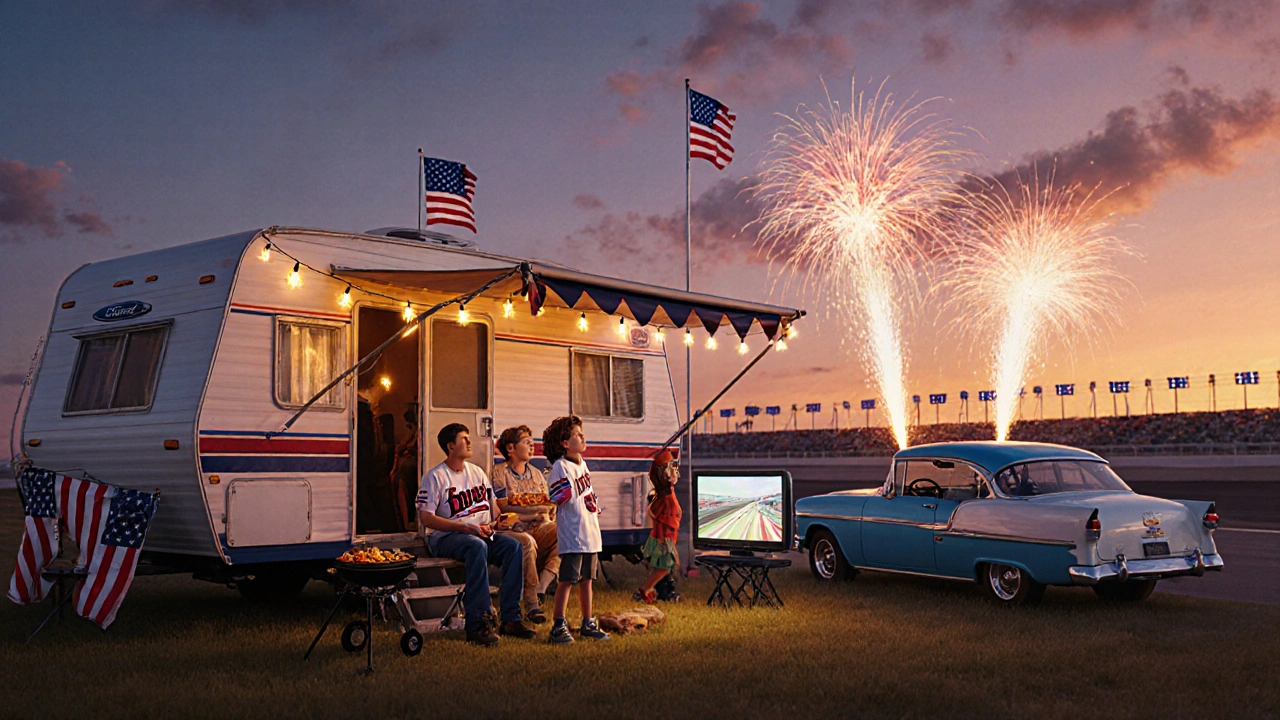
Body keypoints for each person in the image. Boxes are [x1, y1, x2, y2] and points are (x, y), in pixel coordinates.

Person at [416, 423, 535, 646]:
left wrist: (495, 523)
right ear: (451, 446)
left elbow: (493, 510)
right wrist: (465, 527)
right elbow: (427, 519)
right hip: (445, 537)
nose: (469, 442)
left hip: (479, 534)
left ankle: (511, 619)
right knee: (476, 546)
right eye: (464, 438)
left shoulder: (477, 473)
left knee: (512, 547)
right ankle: (477, 624)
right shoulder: (435, 477)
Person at [542, 415, 609, 644]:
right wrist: (566, 492)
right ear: (564, 443)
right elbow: (558, 496)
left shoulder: (582, 463)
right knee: (567, 579)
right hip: (573, 532)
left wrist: (594, 504)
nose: (583, 437)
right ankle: (558, 625)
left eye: (582, 433)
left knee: (587, 578)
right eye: (577, 435)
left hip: (590, 530)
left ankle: (588, 622)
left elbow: (587, 491)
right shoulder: (560, 466)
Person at [491, 424, 560, 624]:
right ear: (510, 448)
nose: (532, 446)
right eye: (527, 442)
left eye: (532, 442)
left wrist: (547, 513)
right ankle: (531, 603)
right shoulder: (499, 473)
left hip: (539, 526)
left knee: (566, 532)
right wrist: (528, 515)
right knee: (526, 542)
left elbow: (547, 505)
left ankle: (541, 587)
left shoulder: (537, 474)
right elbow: (501, 507)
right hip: (512, 528)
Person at [633, 450, 682, 604]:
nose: (676, 470)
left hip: (662, 537)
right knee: (665, 568)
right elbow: (667, 521)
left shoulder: (663, 496)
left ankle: (652, 591)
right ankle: (644, 590)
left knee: (663, 568)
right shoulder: (666, 499)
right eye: (672, 467)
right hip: (664, 539)